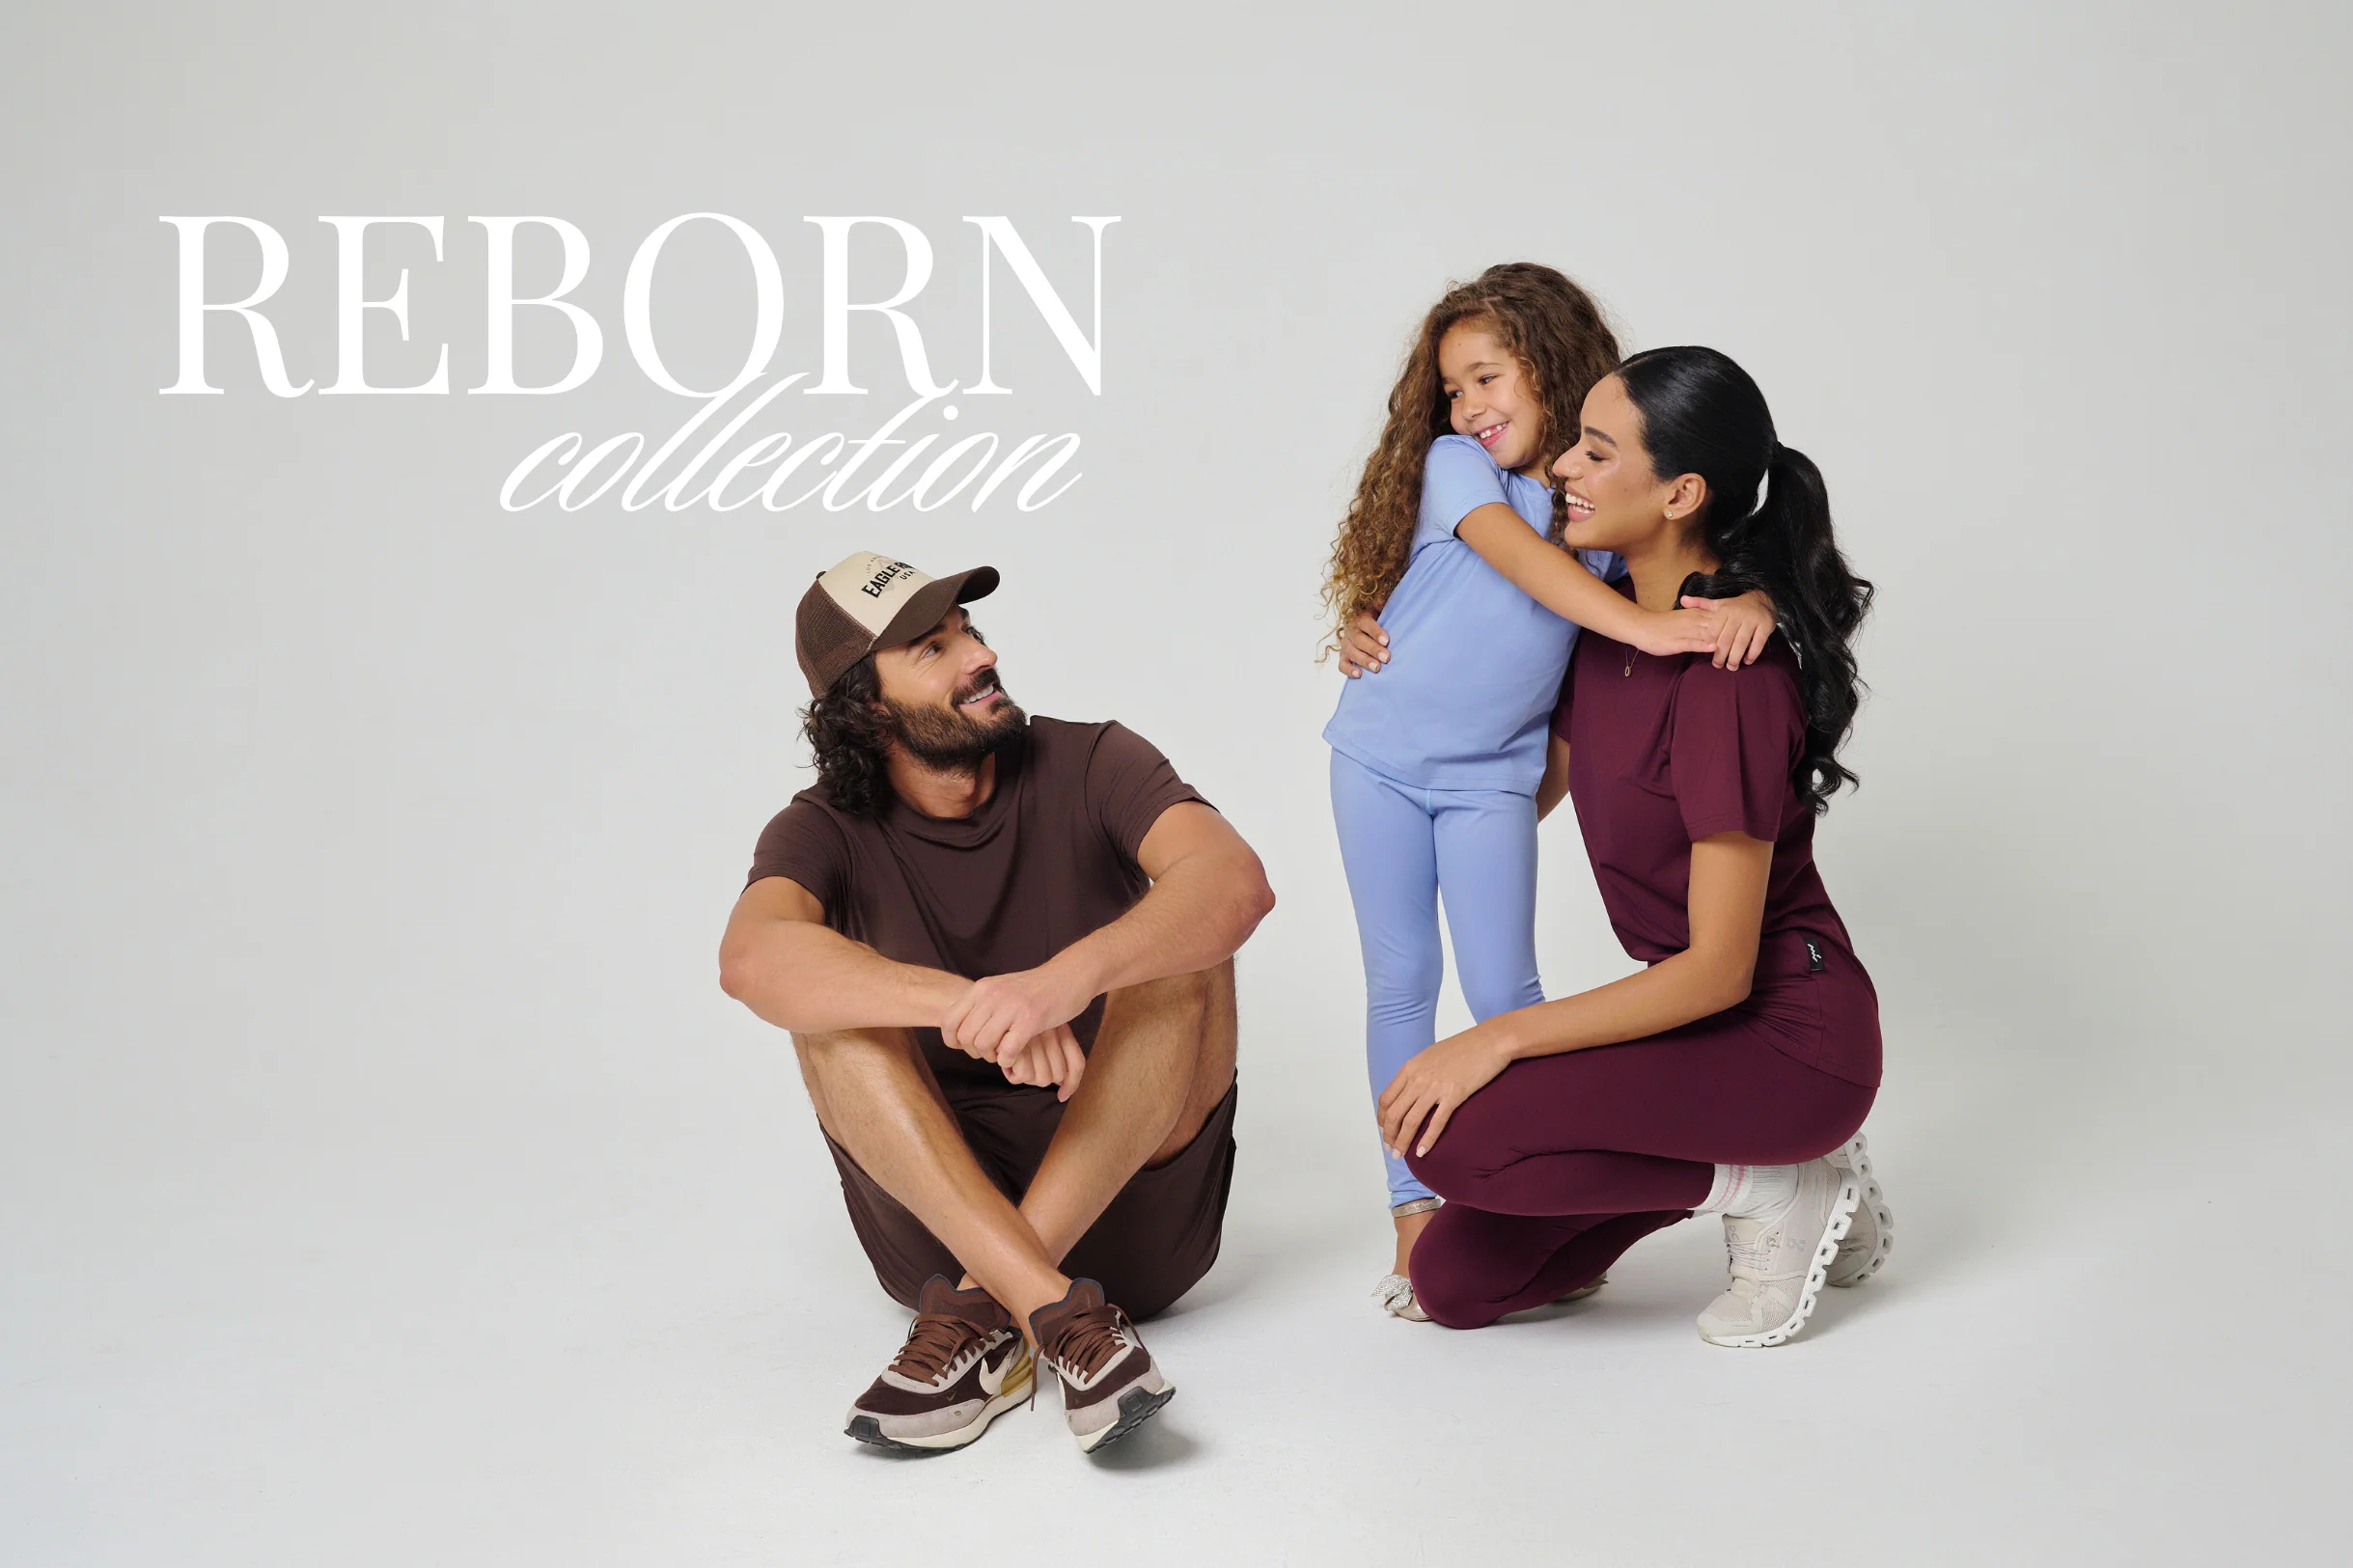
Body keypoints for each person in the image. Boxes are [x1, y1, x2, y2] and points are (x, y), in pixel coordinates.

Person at [1375, 345, 1895, 1346]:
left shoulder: (1729, 680)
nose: (1562, 466)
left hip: (1791, 1037)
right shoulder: (1603, 636)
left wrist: (1495, 1035)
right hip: (1697, 1028)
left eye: (1595, 451)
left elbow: (1716, 968)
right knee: (1454, 1282)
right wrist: (1383, 659)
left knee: (1462, 1131)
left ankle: (1774, 1178)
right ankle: (1735, 1175)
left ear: (1678, 493)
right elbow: (1512, 800)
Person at [718, 551, 1274, 1453]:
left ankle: (984, 1313)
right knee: (821, 1005)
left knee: (1184, 946)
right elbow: (749, 959)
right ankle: (1054, 1313)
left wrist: (1060, 982)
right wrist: (966, 1002)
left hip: (1135, 1216)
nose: (976, 655)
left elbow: (1234, 882)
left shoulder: (1093, 757)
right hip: (937, 1227)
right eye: (931, 648)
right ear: (865, 705)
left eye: (968, 630)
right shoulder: (819, 827)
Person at [1318, 265, 1778, 1320]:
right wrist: (1642, 626)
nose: (1469, 406)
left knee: (1506, 995)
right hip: (1376, 759)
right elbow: (1520, 563)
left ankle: (1545, 1198)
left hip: (1491, 785)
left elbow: (1679, 569)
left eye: (1488, 377)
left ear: (1550, 369)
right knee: (1399, 980)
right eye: (1451, 388)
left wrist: (1742, 598)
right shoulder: (1453, 471)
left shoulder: (1597, 515)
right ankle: (1411, 1207)